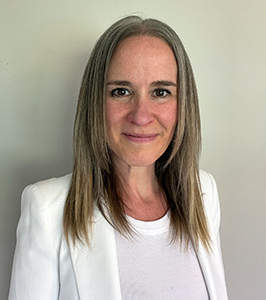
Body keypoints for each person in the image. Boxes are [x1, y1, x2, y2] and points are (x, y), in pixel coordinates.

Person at [9, 16, 228, 300]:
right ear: (95, 102)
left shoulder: (203, 193)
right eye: (121, 92)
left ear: (183, 104)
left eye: (160, 92)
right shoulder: (48, 210)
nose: (141, 115)